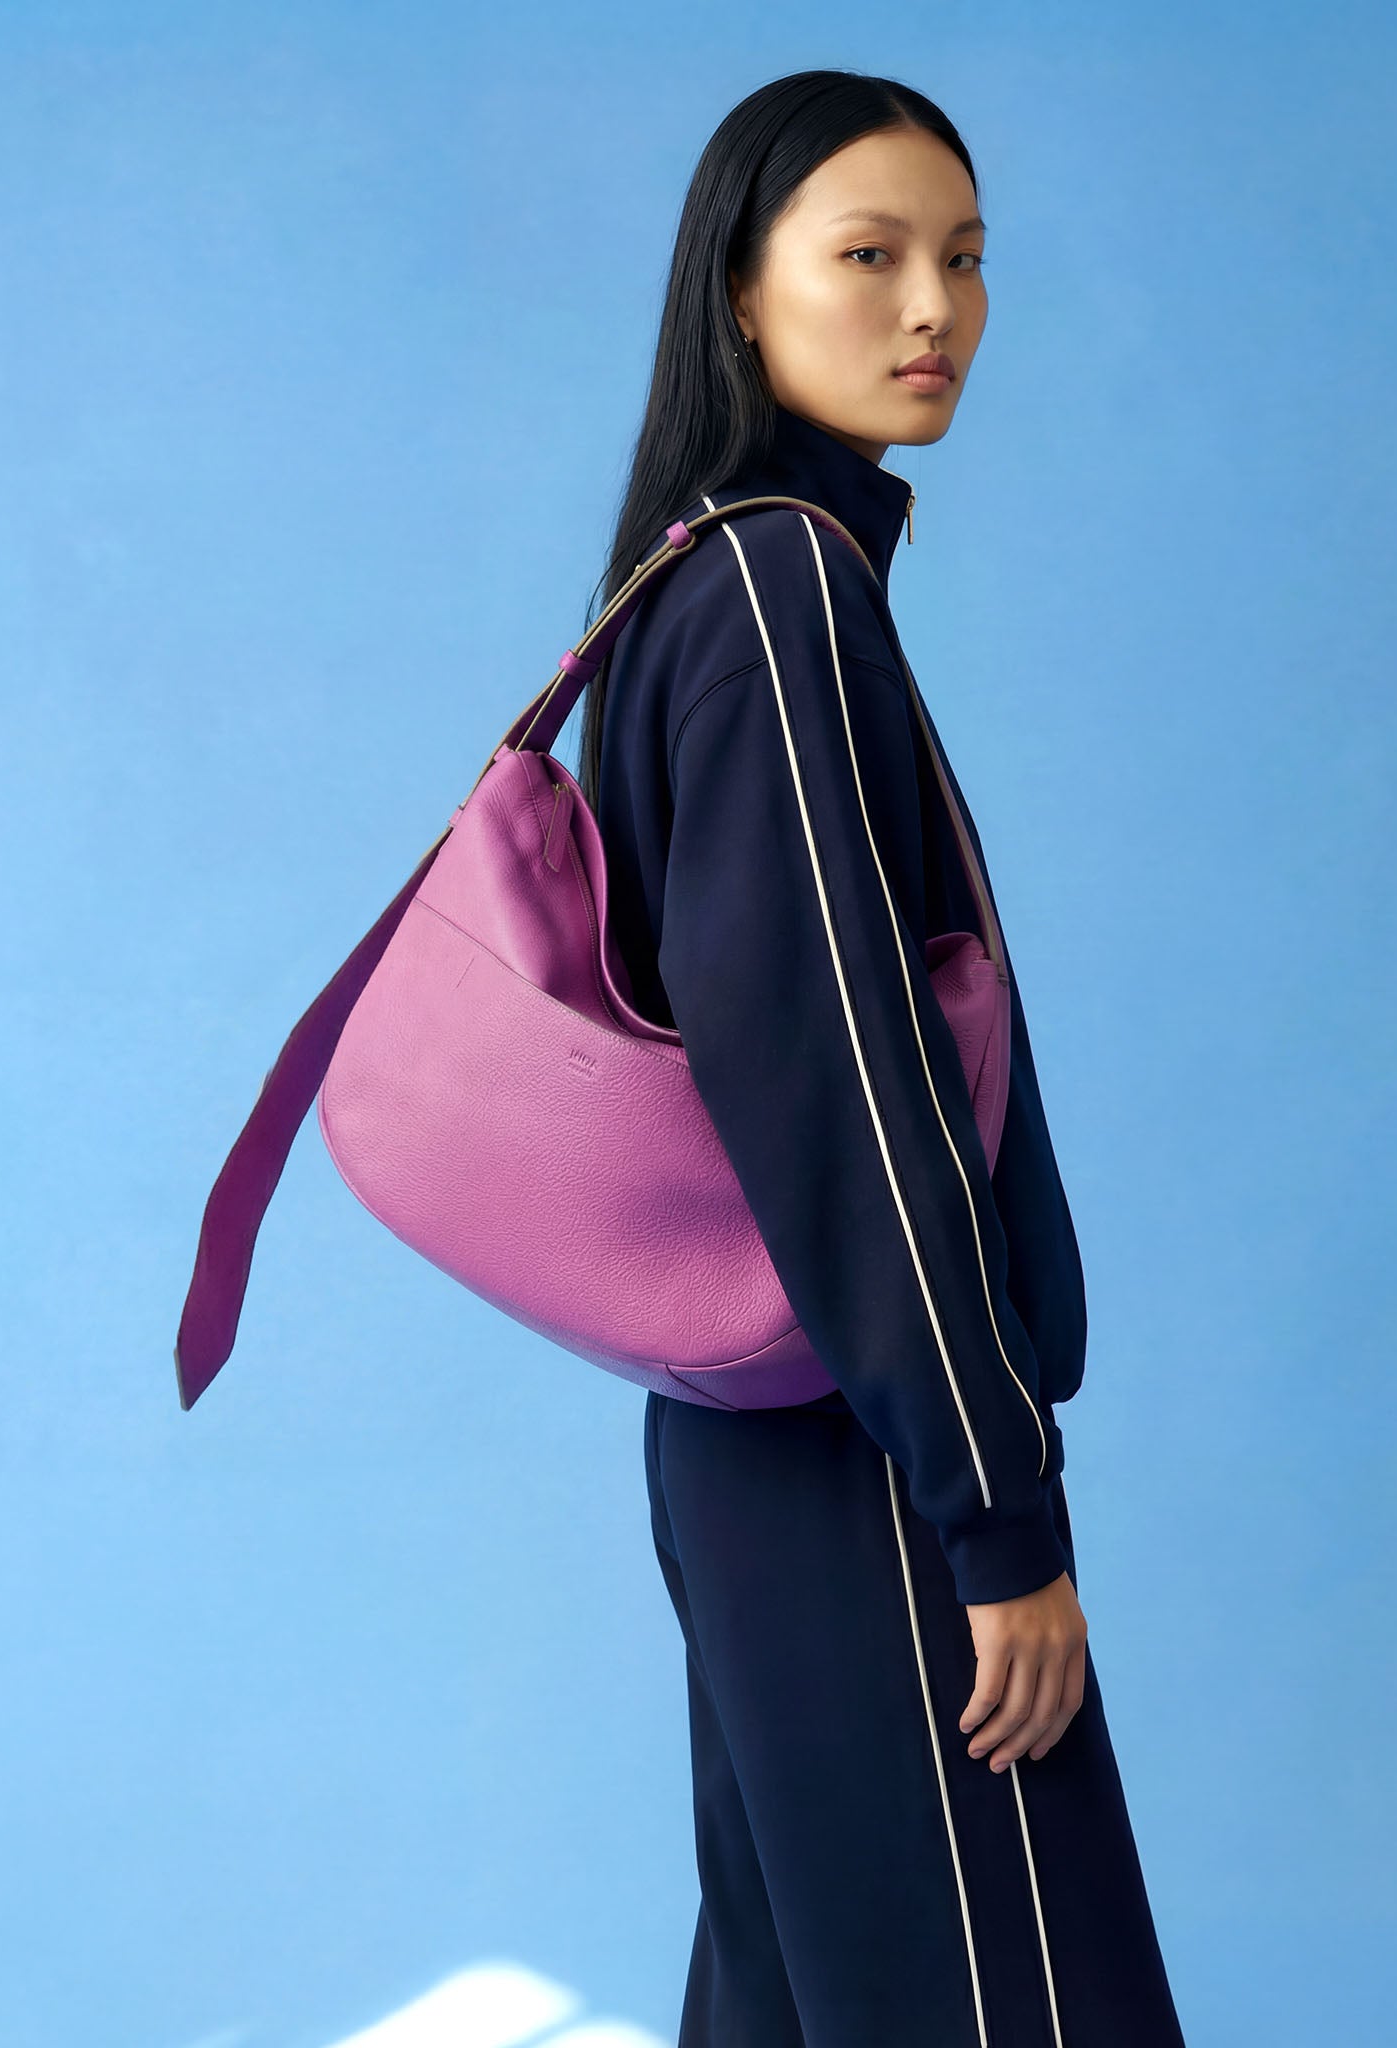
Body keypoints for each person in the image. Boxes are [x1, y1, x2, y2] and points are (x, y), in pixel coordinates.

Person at [579, 71, 1187, 2047]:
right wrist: (996, 1511)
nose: (934, 305)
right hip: (866, 1454)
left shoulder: (720, 582)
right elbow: (839, 1087)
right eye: (869, 255)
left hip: (769, 1434)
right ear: (741, 300)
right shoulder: (770, 593)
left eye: (966, 258)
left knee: (795, 2007)